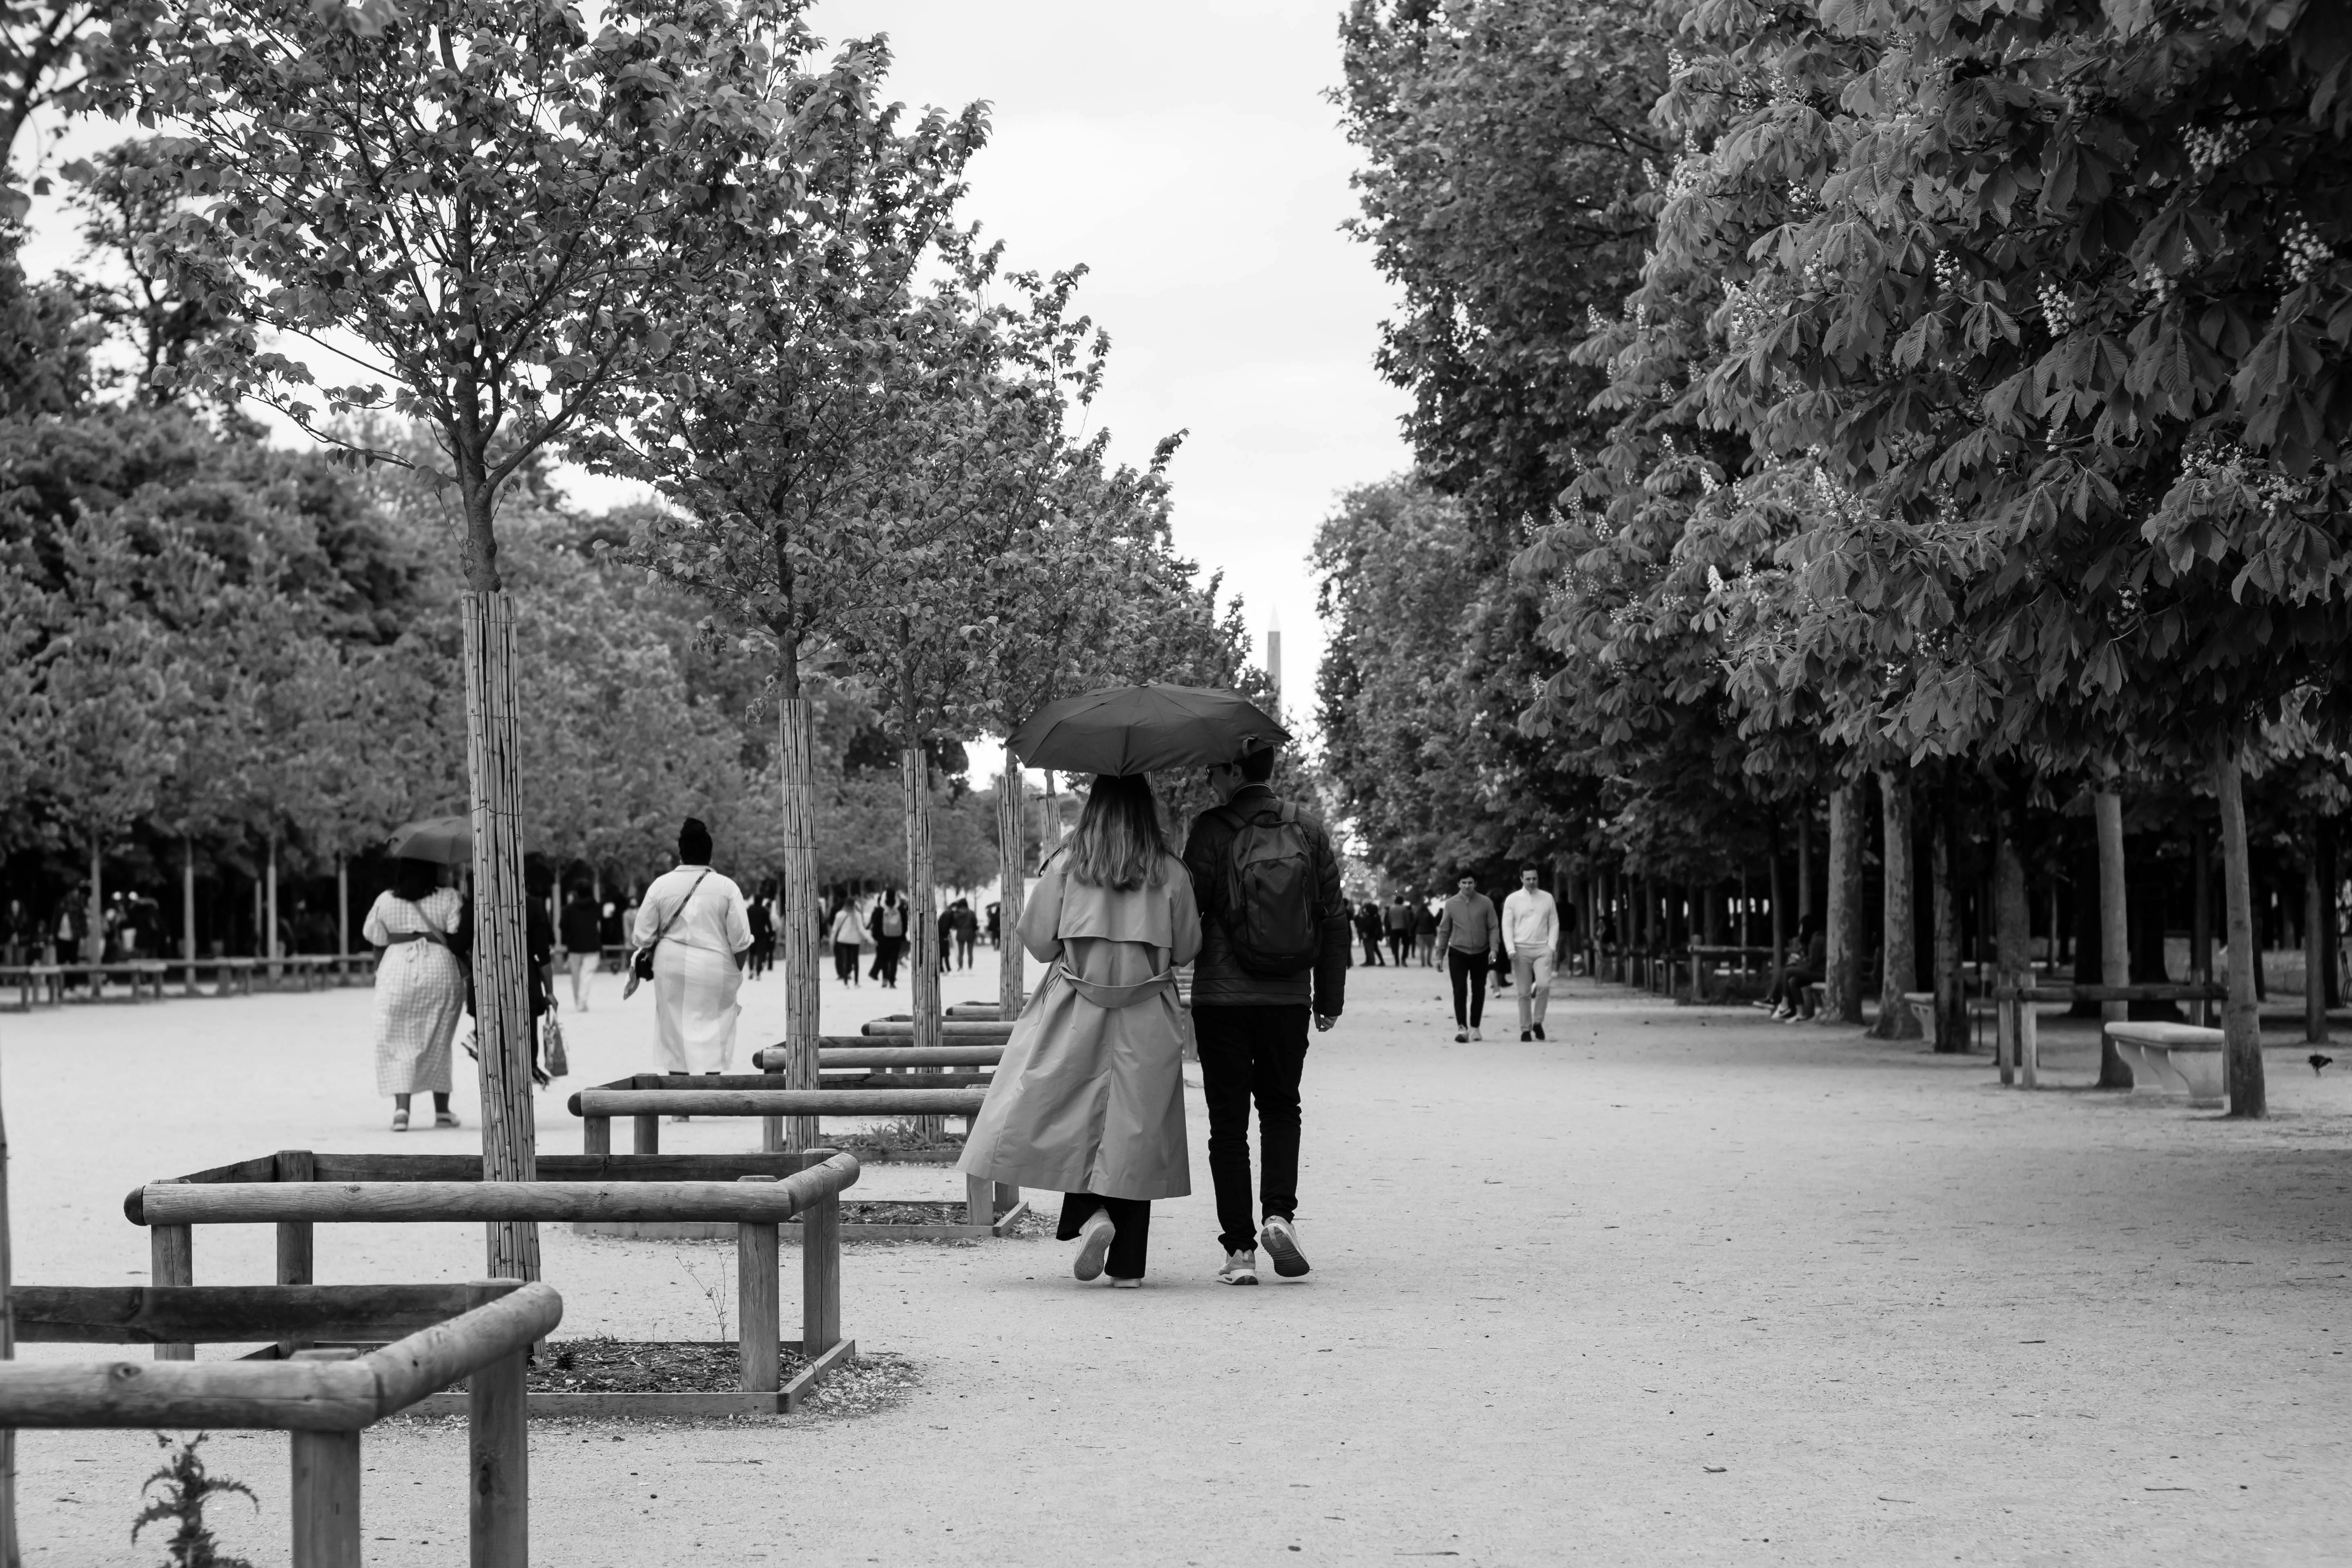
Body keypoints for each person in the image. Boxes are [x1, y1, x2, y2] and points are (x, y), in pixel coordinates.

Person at [960, 773, 1200, 1288]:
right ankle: (1129, 1268)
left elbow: (1039, 942)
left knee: (1076, 1118)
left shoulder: (1068, 865)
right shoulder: (1170, 871)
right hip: (1147, 1012)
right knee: (1136, 1130)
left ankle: (1092, 1215)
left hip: (1076, 1005)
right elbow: (1186, 948)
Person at [1182, 743, 1348, 1285]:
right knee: (1281, 1109)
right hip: (1287, 996)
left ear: (1233, 770)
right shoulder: (1310, 830)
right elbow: (1333, 920)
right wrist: (1328, 999)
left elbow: (1187, 911)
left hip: (1221, 999)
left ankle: (1240, 1252)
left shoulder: (1210, 831)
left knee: (1227, 1124)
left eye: (1213, 768)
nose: (1208, 776)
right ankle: (1280, 1215)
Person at [631, 817, 753, 1077]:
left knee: (674, 1029)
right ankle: (709, 1096)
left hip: (671, 967)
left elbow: (642, 936)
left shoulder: (660, 886)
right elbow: (741, 940)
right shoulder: (727, 887)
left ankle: (681, 1106)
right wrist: (734, 971)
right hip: (715, 967)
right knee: (716, 1025)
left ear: (681, 853)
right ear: (710, 854)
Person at [361, 857, 466, 1132]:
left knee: (396, 1038)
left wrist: (378, 972)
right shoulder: (449, 897)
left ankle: (401, 1111)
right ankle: (442, 1112)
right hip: (439, 969)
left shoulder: (385, 899)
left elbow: (376, 938)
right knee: (438, 1040)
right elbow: (457, 934)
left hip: (396, 969)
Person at [1434, 873, 1500, 1042]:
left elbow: (1493, 927)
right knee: (1460, 990)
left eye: (1470, 883)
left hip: (1481, 952)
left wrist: (1494, 949)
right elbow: (1444, 930)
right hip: (1458, 952)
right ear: (1459, 884)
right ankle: (1462, 1028)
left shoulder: (1486, 902)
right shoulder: (1451, 904)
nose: (1467, 886)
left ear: (1476, 884)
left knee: (1479, 991)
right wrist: (1440, 955)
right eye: (1464, 883)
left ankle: (1475, 1027)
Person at [1501, 866, 1561, 1041]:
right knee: (1524, 992)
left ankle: (1538, 1022)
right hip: (1520, 949)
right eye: (1528, 879)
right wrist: (1510, 948)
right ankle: (1526, 1029)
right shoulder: (1512, 900)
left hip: (1543, 949)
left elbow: (1554, 923)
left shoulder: (1547, 898)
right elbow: (1507, 925)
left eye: (1535, 878)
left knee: (1544, 985)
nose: (1532, 882)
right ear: (1521, 879)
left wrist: (1551, 947)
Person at [1765, 915, 1826, 1021]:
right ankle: (1800, 1014)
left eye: (1801, 926)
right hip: (1817, 971)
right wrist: (1801, 961)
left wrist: (1800, 962)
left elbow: (1813, 964)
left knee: (1787, 971)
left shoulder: (1818, 940)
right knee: (1793, 981)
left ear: (1807, 926)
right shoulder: (1813, 939)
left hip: (1821, 973)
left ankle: (1783, 1004)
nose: (1800, 930)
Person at [560, 887, 602, 1011]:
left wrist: (568, 938)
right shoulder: (595, 906)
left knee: (576, 975)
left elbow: (562, 925)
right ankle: (583, 1001)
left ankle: (578, 1000)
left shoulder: (568, 909)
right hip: (592, 946)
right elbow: (601, 919)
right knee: (587, 975)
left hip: (574, 947)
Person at [868, 889, 908, 987]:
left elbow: (876, 925)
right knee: (894, 960)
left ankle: (885, 979)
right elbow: (905, 925)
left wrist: (876, 937)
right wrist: (902, 936)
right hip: (896, 938)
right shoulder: (901, 910)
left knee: (884, 959)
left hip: (883, 939)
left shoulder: (880, 910)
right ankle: (892, 981)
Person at [829, 897, 864, 985]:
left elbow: (835, 929)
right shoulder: (858, 915)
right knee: (856, 961)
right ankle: (856, 982)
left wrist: (832, 941)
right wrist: (870, 938)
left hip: (843, 940)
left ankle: (845, 983)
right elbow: (861, 929)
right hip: (855, 941)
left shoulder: (840, 914)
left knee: (845, 960)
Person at [746, 892, 775, 980]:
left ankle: (751, 970)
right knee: (760, 954)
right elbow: (768, 924)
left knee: (751, 953)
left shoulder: (750, 910)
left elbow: (746, 922)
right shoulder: (764, 911)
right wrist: (771, 934)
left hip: (751, 935)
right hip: (762, 936)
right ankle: (758, 973)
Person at [1353, 898, 1385, 966]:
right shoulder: (1375, 916)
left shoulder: (1370, 917)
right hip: (1373, 935)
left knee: (1370, 948)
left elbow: (1368, 926)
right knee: (1375, 948)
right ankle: (1377, 961)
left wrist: (1365, 933)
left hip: (1369, 935)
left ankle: (1370, 961)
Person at [1384, 894, 1413, 965]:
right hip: (1404, 929)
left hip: (1394, 928)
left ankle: (1397, 961)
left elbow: (1389, 920)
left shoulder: (1391, 909)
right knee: (1406, 945)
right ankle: (1403, 959)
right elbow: (1407, 920)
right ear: (1402, 901)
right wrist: (1409, 930)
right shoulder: (1404, 909)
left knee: (1395, 945)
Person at [1414, 894, 1439, 966]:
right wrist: (1435, 933)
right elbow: (1434, 924)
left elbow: (1415, 924)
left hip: (1420, 934)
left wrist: (1412, 932)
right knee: (1430, 948)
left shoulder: (1418, 915)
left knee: (1422, 949)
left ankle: (1423, 963)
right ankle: (1429, 961)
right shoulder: (1430, 914)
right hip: (1430, 933)